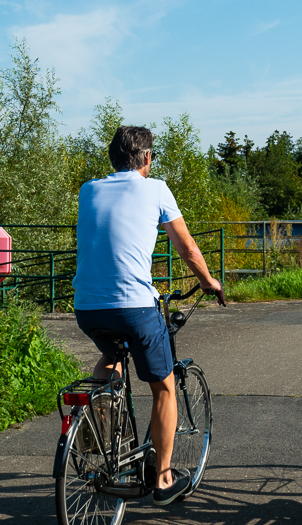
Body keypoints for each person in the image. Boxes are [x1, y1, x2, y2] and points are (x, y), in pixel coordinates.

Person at [73, 125, 226, 505]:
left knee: (112, 357)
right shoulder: (155, 188)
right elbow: (187, 248)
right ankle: (162, 478)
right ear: (146, 158)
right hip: (134, 307)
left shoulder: (88, 189)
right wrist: (209, 282)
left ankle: (102, 424)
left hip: (87, 308)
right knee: (163, 387)